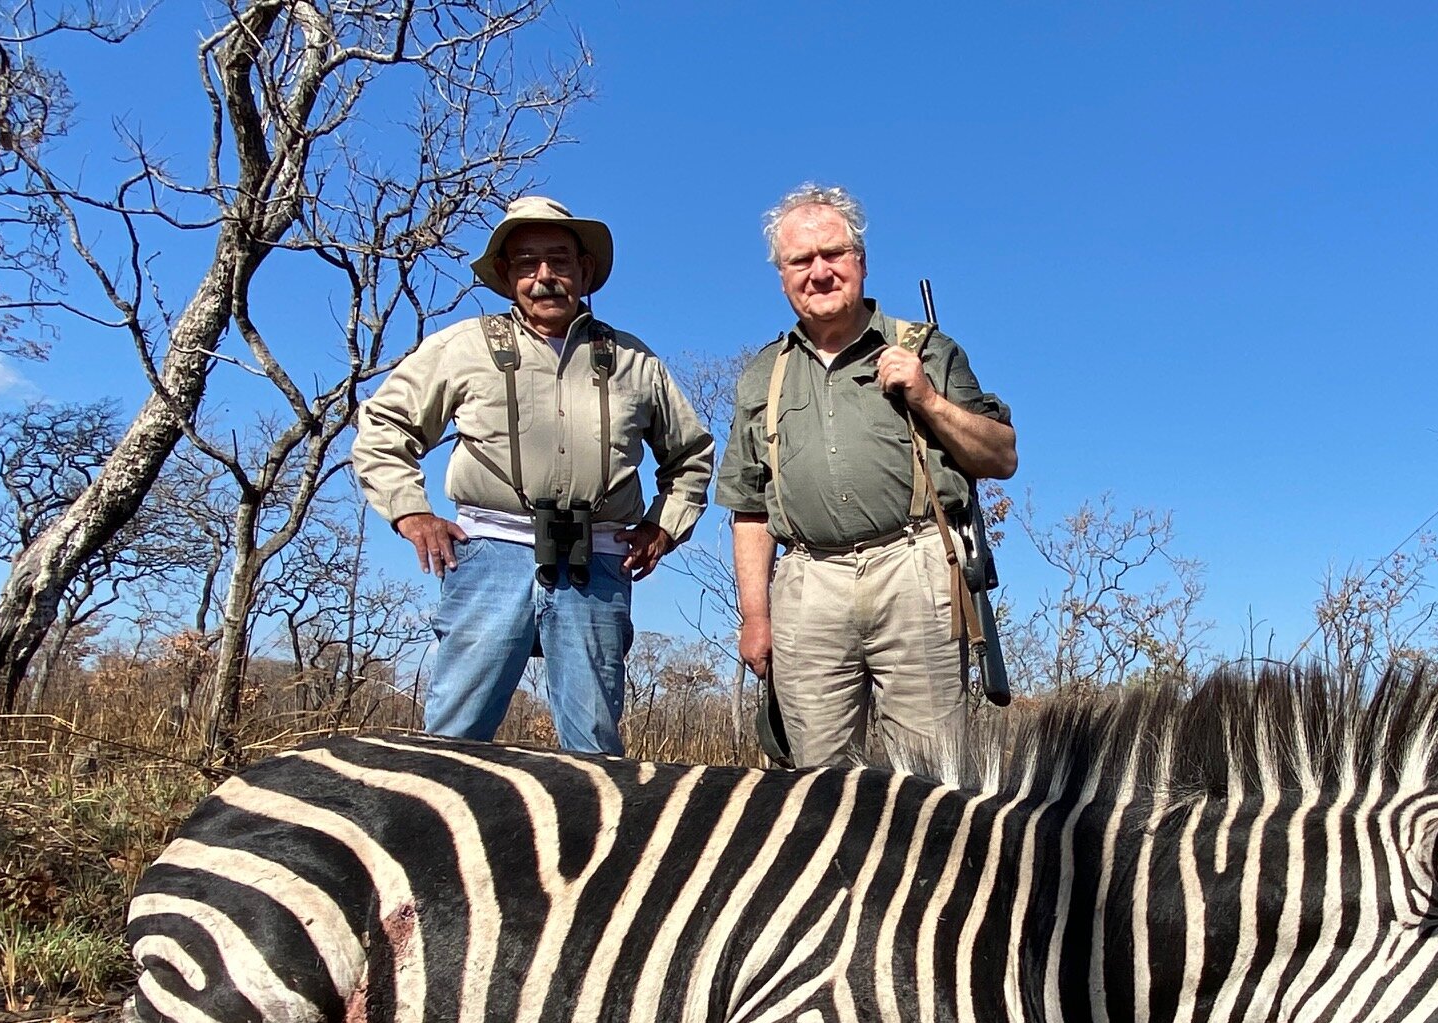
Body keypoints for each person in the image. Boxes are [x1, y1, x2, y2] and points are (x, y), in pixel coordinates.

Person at [354, 196, 713, 755]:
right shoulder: (462, 346)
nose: (545, 277)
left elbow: (691, 456)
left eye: (560, 260)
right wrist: (410, 510)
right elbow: (383, 423)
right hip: (487, 554)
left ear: (585, 270)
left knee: (594, 746)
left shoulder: (634, 361)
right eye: (527, 262)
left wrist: (664, 525)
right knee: (453, 739)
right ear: (506, 273)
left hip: (596, 561)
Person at [719, 184, 1016, 767]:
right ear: (782, 275)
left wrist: (927, 397)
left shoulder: (928, 348)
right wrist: (756, 618)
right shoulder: (762, 374)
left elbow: (1000, 456)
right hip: (807, 581)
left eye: (833, 254)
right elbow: (749, 508)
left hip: (915, 567)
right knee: (816, 785)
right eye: (800, 261)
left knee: (935, 783)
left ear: (861, 262)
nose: (819, 272)